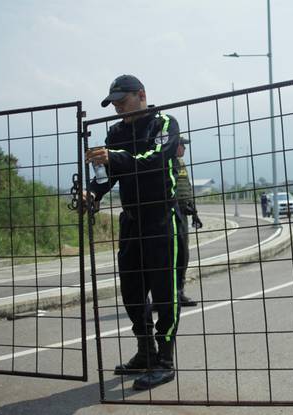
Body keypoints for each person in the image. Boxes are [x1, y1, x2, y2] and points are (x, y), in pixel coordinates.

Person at [83, 74, 182, 390]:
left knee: (165, 293)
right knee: (131, 292)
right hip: (132, 222)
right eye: (113, 104)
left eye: (122, 103)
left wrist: (116, 157)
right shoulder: (117, 131)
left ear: (141, 95)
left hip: (162, 219)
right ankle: (146, 352)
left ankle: (164, 361)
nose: (118, 110)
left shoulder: (164, 124)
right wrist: (93, 194)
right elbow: (108, 175)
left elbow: (154, 160)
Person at [174, 138, 202, 307]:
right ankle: (163, 296)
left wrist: (194, 211)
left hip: (183, 214)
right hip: (171, 214)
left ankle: (179, 292)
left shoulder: (181, 162)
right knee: (171, 256)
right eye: (181, 144)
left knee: (183, 255)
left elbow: (186, 188)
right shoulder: (166, 161)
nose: (183, 147)